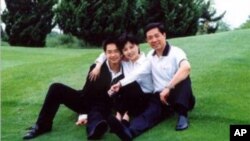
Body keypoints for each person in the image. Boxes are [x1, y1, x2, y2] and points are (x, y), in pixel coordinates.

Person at [22, 38, 124, 140]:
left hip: (105, 106)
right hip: (86, 101)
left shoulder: (126, 71)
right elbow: (87, 93)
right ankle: (43, 126)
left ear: (121, 52)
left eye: (116, 51)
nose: (113, 55)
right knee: (56, 88)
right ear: (105, 54)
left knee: (98, 117)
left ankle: (96, 130)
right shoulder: (96, 69)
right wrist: (83, 113)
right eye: (109, 52)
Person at [110, 22, 195, 139]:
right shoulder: (150, 56)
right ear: (147, 40)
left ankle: (182, 115)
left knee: (184, 78)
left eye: (157, 36)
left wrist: (168, 87)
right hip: (160, 97)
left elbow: (186, 68)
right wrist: (120, 83)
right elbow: (138, 72)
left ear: (164, 35)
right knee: (149, 114)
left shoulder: (176, 51)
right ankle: (129, 132)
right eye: (150, 38)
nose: (154, 40)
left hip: (181, 95)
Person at [91, 33, 164, 141]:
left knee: (128, 83)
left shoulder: (146, 62)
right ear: (122, 53)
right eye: (125, 50)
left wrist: (120, 83)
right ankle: (120, 118)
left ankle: (123, 117)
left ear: (138, 46)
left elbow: (135, 75)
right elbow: (105, 54)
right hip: (131, 98)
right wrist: (98, 65)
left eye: (131, 47)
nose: (129, 52)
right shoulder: (126, 61)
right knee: (114, 87)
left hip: (145, 97)